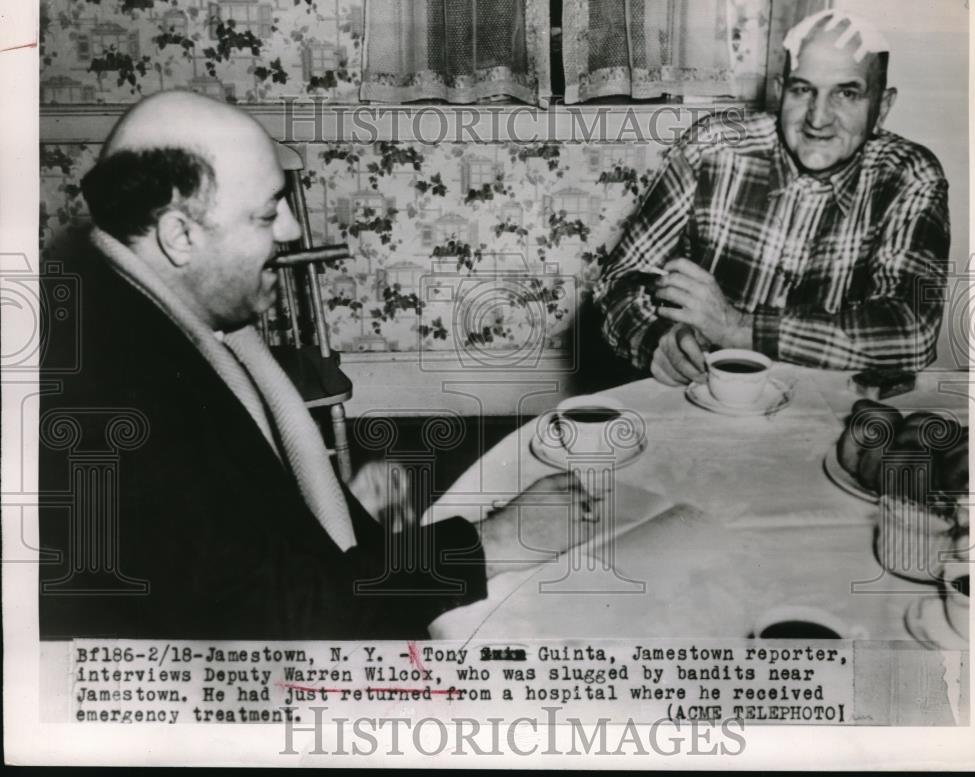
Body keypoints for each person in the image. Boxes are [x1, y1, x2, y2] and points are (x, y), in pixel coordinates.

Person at [39, 90, 594, 640]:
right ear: (179, 236)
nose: (290, 231)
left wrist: (342, 509)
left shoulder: (121, 298)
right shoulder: (109, 401)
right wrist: (492, 542)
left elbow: (230, 520)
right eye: (264, 215)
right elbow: (285, 622)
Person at [594, 9, 950, 385]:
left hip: (827, 415)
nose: (818, 117)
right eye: (802, 89)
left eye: (846, 93)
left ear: (883, 107)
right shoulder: (713, 148)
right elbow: (617, 282)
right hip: (704, 400)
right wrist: (656, 340)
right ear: (781, 93)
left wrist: (739, 329)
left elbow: (911, 333)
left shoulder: (909, 176)